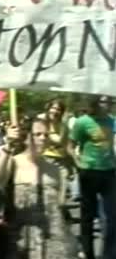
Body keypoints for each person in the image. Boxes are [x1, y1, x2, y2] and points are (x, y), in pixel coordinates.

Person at [0, 118, 77, 259]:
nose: (43, 138)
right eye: (38, 134)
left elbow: (60, 210)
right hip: (21, 238)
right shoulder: (14, 163)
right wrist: (8, 146)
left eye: (46, 135)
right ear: (26, 137)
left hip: (53, 242)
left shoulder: (54, 169)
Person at [67, 95, 116, 259]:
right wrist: (78, 163)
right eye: (105, 101)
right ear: (96, 102)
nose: (109, 104)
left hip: (109, 171)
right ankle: (88, 252)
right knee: (88, 214)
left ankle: (109, 254)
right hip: (89, 172)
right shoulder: (83, 122)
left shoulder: (112, 120)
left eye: (111, 101)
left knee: (112, 216)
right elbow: (70, 146)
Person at [37, 99, 73, 216]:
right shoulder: (41, 124)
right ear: (48, 109)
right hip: (46, 160)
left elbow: (65, 144)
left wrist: (72, 164)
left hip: (62, 162)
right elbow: (57, 140)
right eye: (53, 108)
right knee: (48, 196)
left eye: (58, 109)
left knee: (61, 198)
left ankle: (61, 216)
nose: (55, 111)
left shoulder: (63, 126)